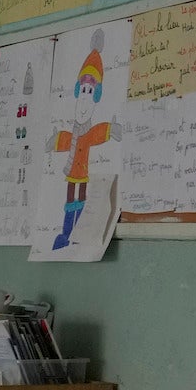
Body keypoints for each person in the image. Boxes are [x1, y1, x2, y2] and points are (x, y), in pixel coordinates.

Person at [48, 35, 113, 251]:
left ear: (96, 95)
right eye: (83, 90)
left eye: (90, 91)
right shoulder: (75, 131)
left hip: (84, 171)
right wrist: (54, 141)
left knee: (82, 198)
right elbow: (66, 139)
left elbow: (97, 133)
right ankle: (66, 232)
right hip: (72, 173)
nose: (85, 96)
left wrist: (112, 129)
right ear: (78, 92)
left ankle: (78, 232)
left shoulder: (87, 131)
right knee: (70, 198)